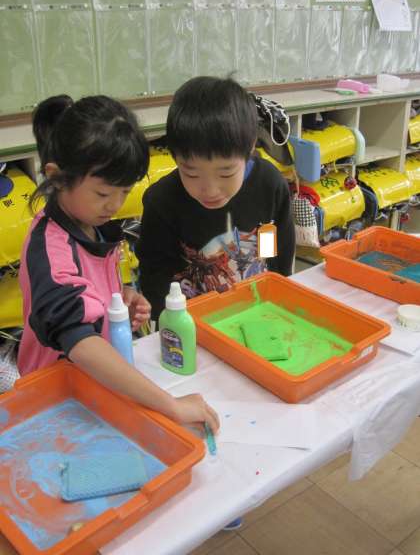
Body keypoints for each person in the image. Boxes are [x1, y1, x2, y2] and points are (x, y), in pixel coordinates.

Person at [17, 94, 219, 433]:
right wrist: (172, 405)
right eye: (103, 193)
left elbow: (86, 289)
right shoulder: (50, 249)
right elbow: (80, 342)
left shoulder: (89, 221)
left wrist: (118, 299)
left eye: (124, 192)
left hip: (98, 382)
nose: (114, 205)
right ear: (57, 177)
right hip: (56, 400)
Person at [136, 76, 295, 321]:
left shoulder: (269, 185)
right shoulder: (162, 202)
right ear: (175, 156)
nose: (210, 190)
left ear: (250, 147)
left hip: (257, 311)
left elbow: (275, 251)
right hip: (192, 323)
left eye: (226, 173)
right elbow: (155, 277)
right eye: (192, 173)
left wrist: (278, 301)